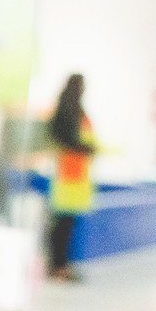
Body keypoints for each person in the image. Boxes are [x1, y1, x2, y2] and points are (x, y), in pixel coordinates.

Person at [47, 73, 97, 282]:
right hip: (68, 175)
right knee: (63, 224)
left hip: (77, 175)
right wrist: (85, 147)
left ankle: (62, 265)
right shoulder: (66, 112)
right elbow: (66, 138)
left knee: (67, 224)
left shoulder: (75, 110)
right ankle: (58, 267)